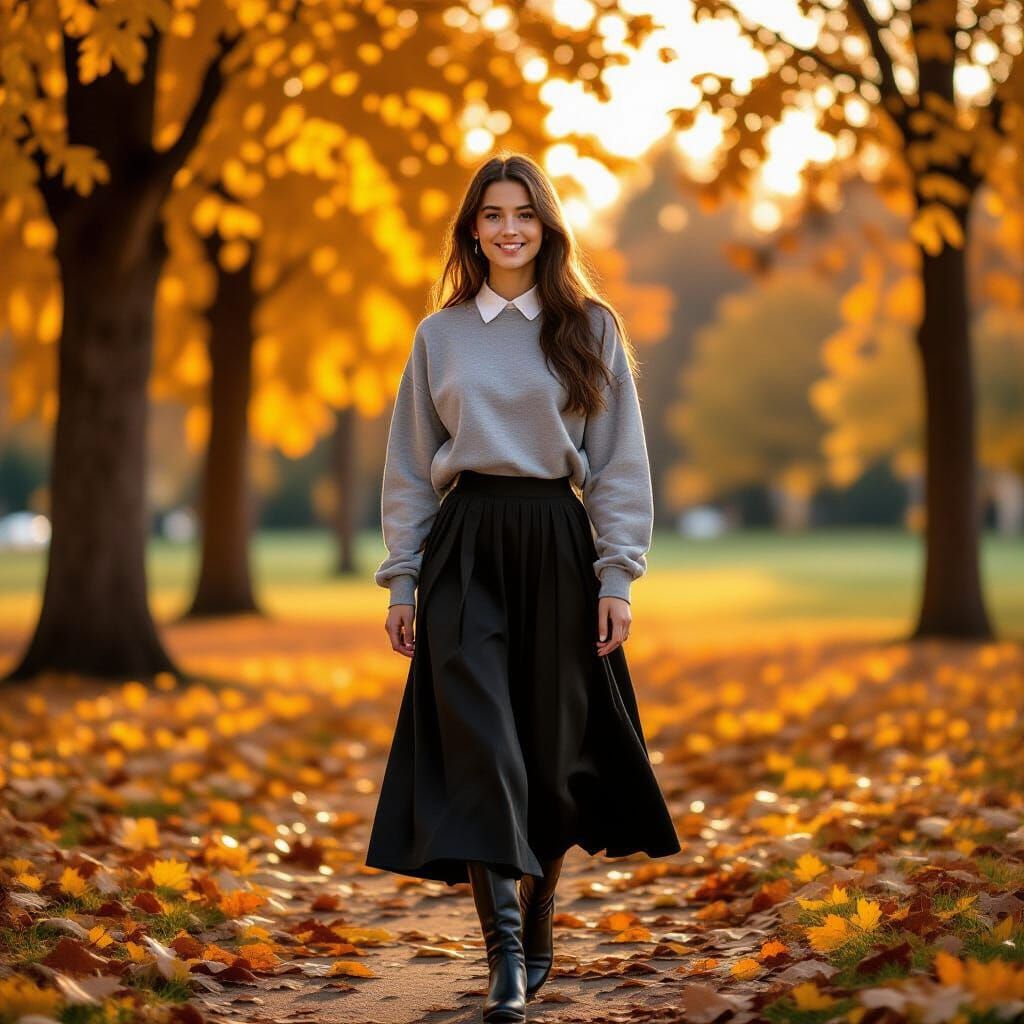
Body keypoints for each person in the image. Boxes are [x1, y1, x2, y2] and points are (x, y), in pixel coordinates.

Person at [365, 152, 680, 1023]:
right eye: (493, 214)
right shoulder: (440, 336)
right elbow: (406, 469)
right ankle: (504, 954)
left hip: (557, 544)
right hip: (464, 545)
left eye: (525, 214)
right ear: (473, 228)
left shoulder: (591, 326)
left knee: (547, 753)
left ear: (546, 227)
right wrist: (402, 582)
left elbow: (619, 464)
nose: (509, 228)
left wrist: (617, 574)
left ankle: (538, 922)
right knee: (481, 744)